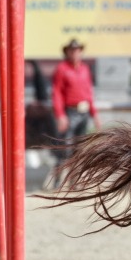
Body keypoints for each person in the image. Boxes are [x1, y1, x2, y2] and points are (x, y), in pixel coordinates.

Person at [51, 39, 102, 175]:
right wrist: (60, 115)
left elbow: (89, 93)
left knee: (80, 148)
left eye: (77, 50)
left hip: (84, 112)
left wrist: (94, 114)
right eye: (72, 50)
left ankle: (74, 180)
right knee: (65, 147)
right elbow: (57, 93)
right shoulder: (62, 69)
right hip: (70, 112)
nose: (75, 53)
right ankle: (57, 179)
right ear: (67, 52)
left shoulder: (84, 69)